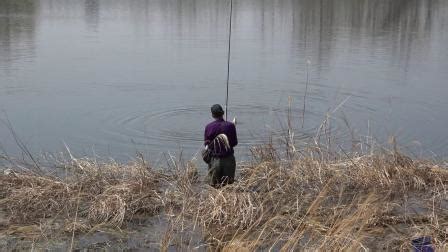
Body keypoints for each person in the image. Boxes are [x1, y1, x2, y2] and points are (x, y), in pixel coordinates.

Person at [204, 104, 238, 187]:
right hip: (228, 160)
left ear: (212, 115)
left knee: (214, 186)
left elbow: (207, 144)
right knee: (228, 186)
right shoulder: (231, 126)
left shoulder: (208, 127)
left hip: (215, 161)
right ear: (223, 113)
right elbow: (234, 143)